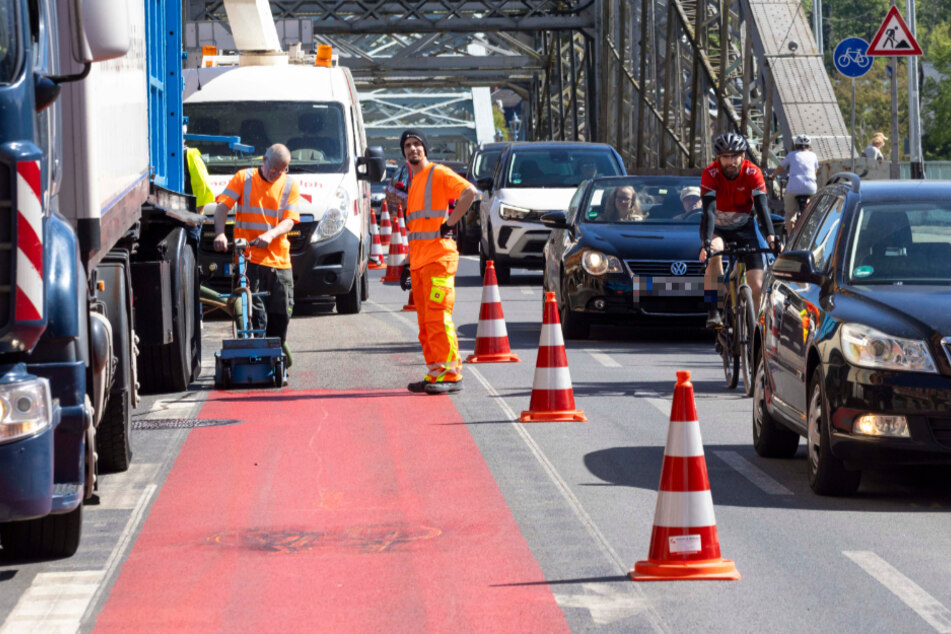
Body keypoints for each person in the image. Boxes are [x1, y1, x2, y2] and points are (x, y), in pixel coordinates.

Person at [401, 129, 480, 395]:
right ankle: (436, 372)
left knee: (438, 316)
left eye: (417, 144)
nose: (413, 149)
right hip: (420, 263)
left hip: (438, 260)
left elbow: (470, 192)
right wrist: (406, 264)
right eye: (408, 145)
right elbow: (416, 232)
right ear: (404, 152)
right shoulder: (414, 183)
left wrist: (451, 223)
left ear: (425, 148)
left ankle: (452, 374)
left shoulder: (438, 173)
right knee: (425, 322)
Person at [210, 144, 300, 363]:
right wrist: (220, 234)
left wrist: (270, 235)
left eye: (282, 169)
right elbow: (223, 206)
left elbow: (289, 220)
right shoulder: (244, 178)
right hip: (249, 259)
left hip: (279, 261)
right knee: (256, 313)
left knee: (282, 313)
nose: (276, 173)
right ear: (264, 159)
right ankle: (258, 360)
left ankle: (276, 357)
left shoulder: (289, 185)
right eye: (273, 168)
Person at [698, 132, 777, 328]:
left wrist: (771, 238)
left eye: (735, 156)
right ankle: (713, 309)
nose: (731, 161)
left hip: (744, 227)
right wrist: (706, 244)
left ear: (743, 156)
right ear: (719, 158)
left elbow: (762, 207)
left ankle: (755, 328)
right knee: (715, 253)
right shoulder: (711, 173)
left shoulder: (753, 173)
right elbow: (708, 211)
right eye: (726, 157)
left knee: (757, 284)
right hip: (716, 227)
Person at [769, 134, 819, 236]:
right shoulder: (813, 155)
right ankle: (812, 226)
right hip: (810, 188)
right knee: (812, 206)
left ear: (796, 145)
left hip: (794, 188)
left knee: (790, 214)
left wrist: (773, 175)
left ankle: (790, 239)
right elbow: (815, 170)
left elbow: (780, 167)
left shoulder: (792, 155)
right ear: (809, 146)